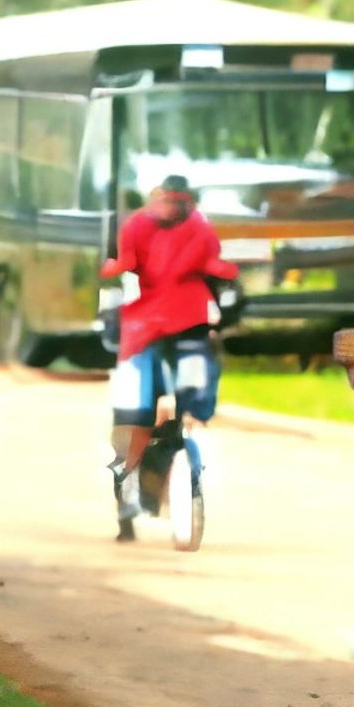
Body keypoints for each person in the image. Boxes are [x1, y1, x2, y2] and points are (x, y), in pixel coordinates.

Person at [101, 175, 238, 541]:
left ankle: (135, 494)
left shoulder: (148, 227)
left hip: (156, 333)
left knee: (143, 418)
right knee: (153, 414)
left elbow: (119, 268)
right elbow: (218, 272)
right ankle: (136, 492)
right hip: (159, 333)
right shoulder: (195, 228)